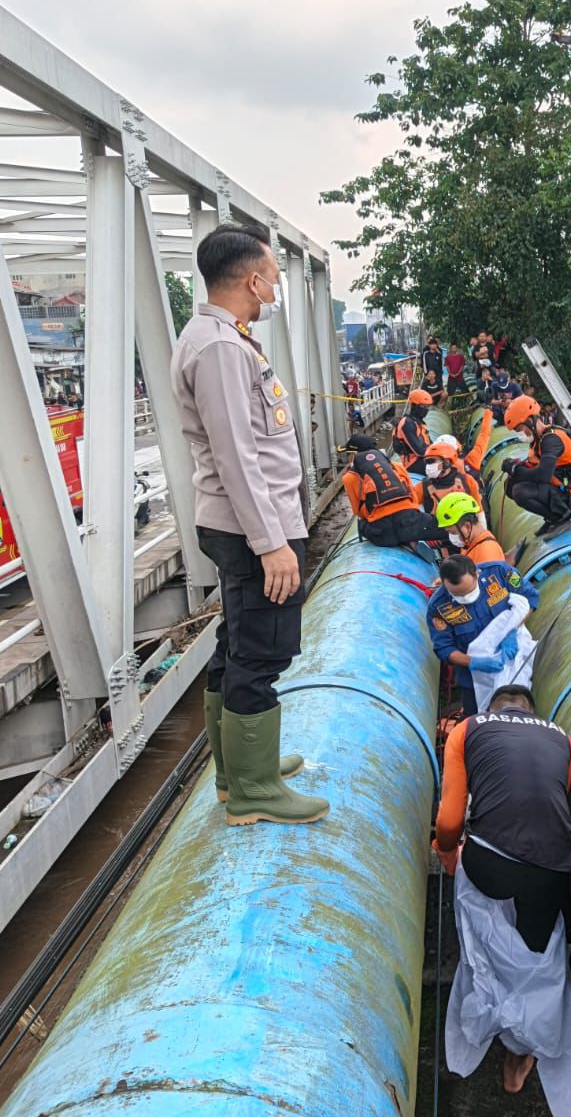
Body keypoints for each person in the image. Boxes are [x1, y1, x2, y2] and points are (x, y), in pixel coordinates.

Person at [170, 223, 324, 825]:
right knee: (261, 651)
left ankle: (240, 771)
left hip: (242, 524)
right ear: (250, 278)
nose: (275, 289)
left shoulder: (222, 339)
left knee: (236, 642)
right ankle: (253, 792)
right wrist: (273, 545)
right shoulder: (220, 350)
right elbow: (237, 454)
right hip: (251, 528)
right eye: (273, 278)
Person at [435, 685, 571, 1111]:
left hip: (491, 862)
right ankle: (518, 1059)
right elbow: (550, 800)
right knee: (538, 962)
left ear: (493, 709)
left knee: (486, 948)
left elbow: (450, 818)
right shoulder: (562, 738)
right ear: (532, 713)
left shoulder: (469, 729)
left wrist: (448, 852)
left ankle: (487, 1011)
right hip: (552, 868)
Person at [427, 554, 539, 715]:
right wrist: (474, 662)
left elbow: (531, 598)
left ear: (477, 574)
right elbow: (444, 648)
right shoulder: (438, 607)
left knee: (520, 712)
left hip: (514, 661)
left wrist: (513, 630)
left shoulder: (500, 573)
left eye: (468, 591)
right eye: (457, 595)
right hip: (474, 679)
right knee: (476, 718)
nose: (465, 598)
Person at [500, 396, 571, 540]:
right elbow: (533, 467)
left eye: (519, 429)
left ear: (530, 420)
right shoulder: (539, 441)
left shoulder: (551, 440)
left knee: (520, 491)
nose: (519, 434)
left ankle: (559, 519)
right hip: (562, 491)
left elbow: (543, 475)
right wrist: (515, 466)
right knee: (510, 486)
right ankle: (551, 518)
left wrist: (516, 470)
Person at [341, 433, 442, 550]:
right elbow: (413, 498)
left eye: (348, 454)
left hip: (382, 534)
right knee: (443, 527)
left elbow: (358, 511)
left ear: (354, 455)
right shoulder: (396, 466)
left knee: (361, 522)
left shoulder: (350, 477)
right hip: (411, 524)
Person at [438, 493, 507, 564]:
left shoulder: (486, 556)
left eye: (453, 533)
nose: (451, 537)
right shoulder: (471, 543)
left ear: (467, 526)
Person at [394, 389, 434, 470]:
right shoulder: (407, 424)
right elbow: (419, 451)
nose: (426, 409)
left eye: (427, 407)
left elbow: (430, 443)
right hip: (412, 463)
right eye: (423, 406)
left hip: (422, 459)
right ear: (414, 406)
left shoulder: (418, 422)